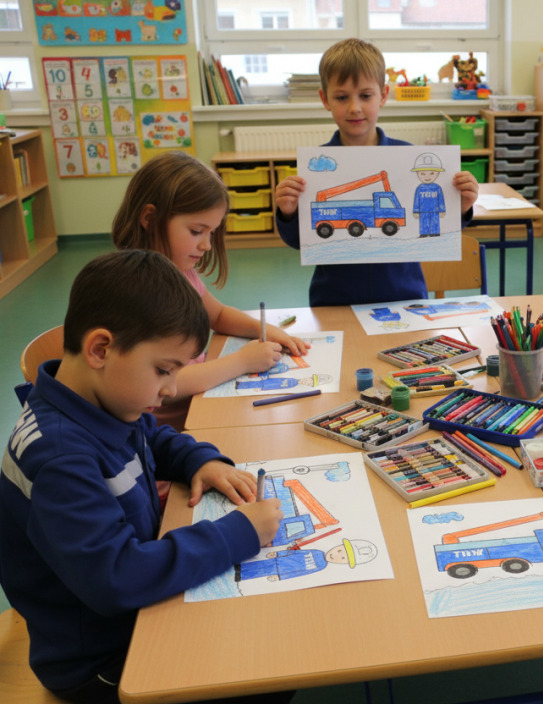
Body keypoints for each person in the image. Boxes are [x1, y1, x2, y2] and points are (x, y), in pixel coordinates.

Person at [0, 250, 287, 704]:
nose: (172, 389)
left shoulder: (97, 400)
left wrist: (200, 461)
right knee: (268, 674)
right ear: (100, 349)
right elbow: (117, 577)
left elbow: (151, 437)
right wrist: (237, 535)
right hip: (100, 661)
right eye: (163, 370)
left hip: (129, 612)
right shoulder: (58, 457)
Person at [112, 150, 310, 430]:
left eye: (212, 233)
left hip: (201, 404)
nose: (206, 245)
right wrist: (241, 362)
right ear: (150, 218)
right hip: (168, 433)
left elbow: (217, 316)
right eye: (196, 231)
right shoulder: (137, 293)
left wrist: (264, 329)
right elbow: (163, 386)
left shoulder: (181, 272)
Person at [274, 38, 480, 306]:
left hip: (404, 297)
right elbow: (301, 241)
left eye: (365, 95)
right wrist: (288, 213)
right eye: (341, 97)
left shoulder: (410, 160)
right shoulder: (317, 169)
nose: (354, 107)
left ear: (383, 95)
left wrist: (461, 207)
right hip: (334, 302)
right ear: (325, 99)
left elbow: (435, 229)